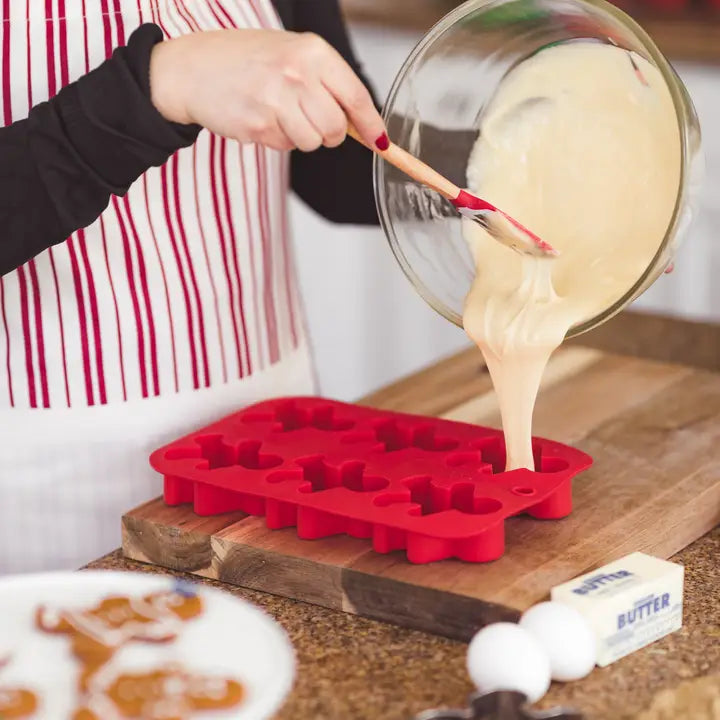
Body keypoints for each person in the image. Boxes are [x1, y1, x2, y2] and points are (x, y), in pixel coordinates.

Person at [0, 0, 391, 573]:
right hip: (40, 497)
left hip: (272, 457)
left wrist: (511, 160)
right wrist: (158, 88)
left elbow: (337, 164)